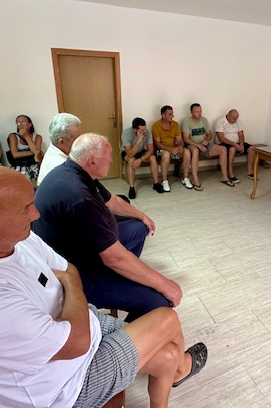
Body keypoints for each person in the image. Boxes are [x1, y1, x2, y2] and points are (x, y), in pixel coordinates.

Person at [0, 165, 207, 408]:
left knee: (168, 354)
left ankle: (176, 374)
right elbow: (76, 342)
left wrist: (70, 285)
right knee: (166, 317)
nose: (36, 213)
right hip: (64, 390)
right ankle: (182, 368)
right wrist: (72, 285)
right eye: (26, 209)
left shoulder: (16, 239)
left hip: (80, 329)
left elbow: (69, 270)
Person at [33, 133, 182, 322]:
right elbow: (114, 258)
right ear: (92, 160)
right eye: (109, 156)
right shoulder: (79, 197)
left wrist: (142, 216)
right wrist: (165, 284)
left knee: (138, 227)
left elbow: (112, 201)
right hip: (76, 274)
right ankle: (124, 333)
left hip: (85, 249)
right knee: (159, 300)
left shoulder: (76, 171)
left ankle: (126, 275)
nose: (112, 160)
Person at [182, 103, 234, 190]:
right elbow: (186, 139)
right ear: (191, 112)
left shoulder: (204, 120)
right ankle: (196, 180)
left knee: (223, 149)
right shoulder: (187, 121)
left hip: (204, 144)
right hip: (192, 145)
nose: (199, 113)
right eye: (197, 112)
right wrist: (199, 145)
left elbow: (209, 134)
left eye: (200, 111)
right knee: (195, 151)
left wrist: (206, 140)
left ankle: (224, 177)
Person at [151, 105, 190, 192]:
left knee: (187, 152)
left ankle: (185, 178)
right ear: (163, 115)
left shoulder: (175, 124)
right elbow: (157, 144)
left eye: (172, 113)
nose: (172, 116)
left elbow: (180, 140)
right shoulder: (156, 125)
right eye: (170, 114)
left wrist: (180, 146)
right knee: (166, 154)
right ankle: (164, 181)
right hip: (160, 150)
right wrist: (170, 149)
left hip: (173, 148)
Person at [121, 117, 162, 198]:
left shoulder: (147, 132)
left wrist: (141, 160)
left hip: (140, 151)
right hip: (128, 152)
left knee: (153, 158)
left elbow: (151, 150)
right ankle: (132, 188)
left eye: (145, 129)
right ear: (135, 130)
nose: (144, 131)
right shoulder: (126, 134)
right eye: (142, 130)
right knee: (131, 160)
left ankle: (156, 183)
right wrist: (138, 141)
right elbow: (130, 154)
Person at [37, 112, 82, 186]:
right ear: (61, 142)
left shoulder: (54, 148)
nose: (80, 142)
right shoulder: (61, 167)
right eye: (76, 139)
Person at [215, 109, 256, 182]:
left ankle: (249, 172)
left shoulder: (238, 121)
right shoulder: (220, 121)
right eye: (233, 119)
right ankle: (230, 174)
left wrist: (241, 144)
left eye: (236, 119)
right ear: (228, 116)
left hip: (237, 142)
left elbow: (241, 135)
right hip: (224, 143)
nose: (235, 120)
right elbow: (221, 138)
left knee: (252, 148)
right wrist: (235, 145)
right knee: (232, 149)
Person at [7, 114, 43, 186]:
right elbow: (15, 154)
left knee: (42, 176)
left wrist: (26, 137)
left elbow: (38, 156)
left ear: (30, 124)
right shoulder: (13, 136)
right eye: (18, 123)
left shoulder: (37, 137)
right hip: (19, 164)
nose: (20, 124)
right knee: (22, 179)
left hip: (34, 164)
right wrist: (34, 152)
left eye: (23, 122)